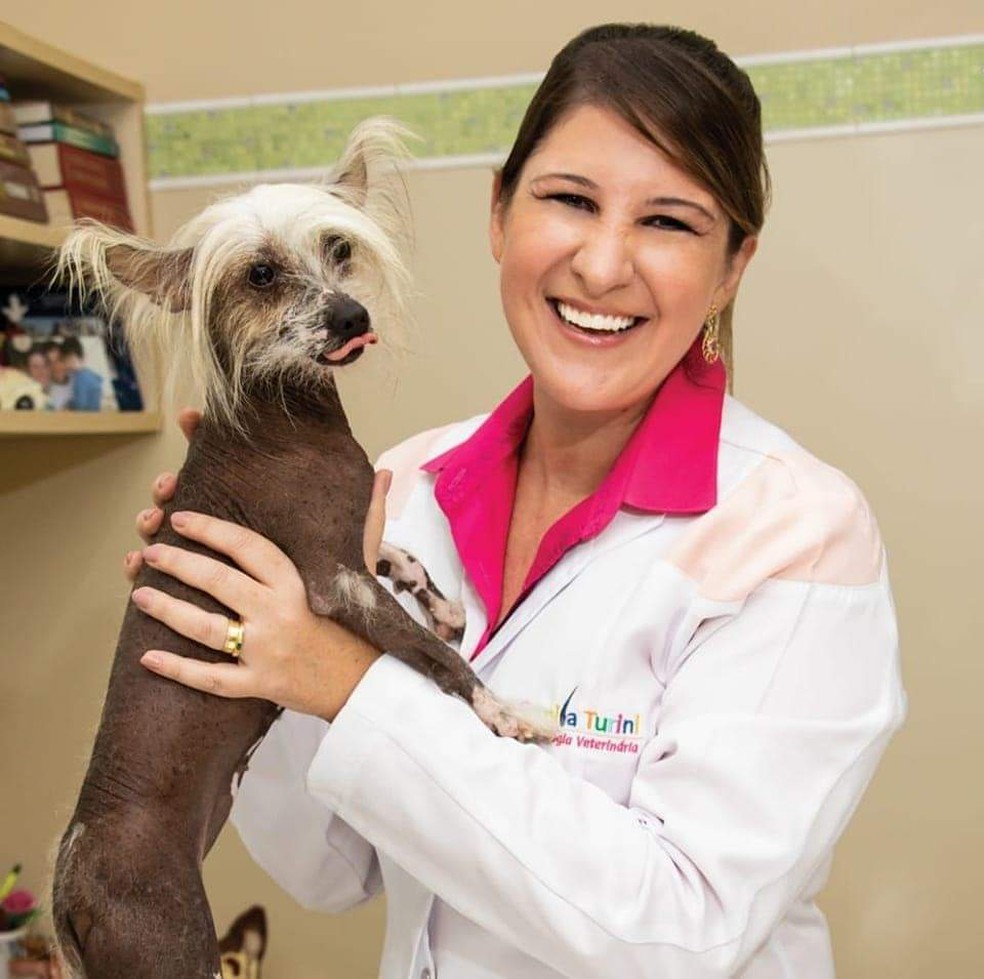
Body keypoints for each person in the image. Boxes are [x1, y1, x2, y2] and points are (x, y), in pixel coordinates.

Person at [126, 24, 905, 978]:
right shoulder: (402, 488)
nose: (604, 265)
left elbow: (682, 932)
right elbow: (327, 872)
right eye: (570, 200)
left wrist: (341, 674)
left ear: (732, 266)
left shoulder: (798, 531)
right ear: (499, 213)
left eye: (669, 221)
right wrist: (258, 644)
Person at [58, 336, 103, 411]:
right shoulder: (90, 375)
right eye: (65, 361)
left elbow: (80, 405)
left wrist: (69, 406)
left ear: (81, 358)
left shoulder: (81, 378)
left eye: (70, 360)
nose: (68, 364)